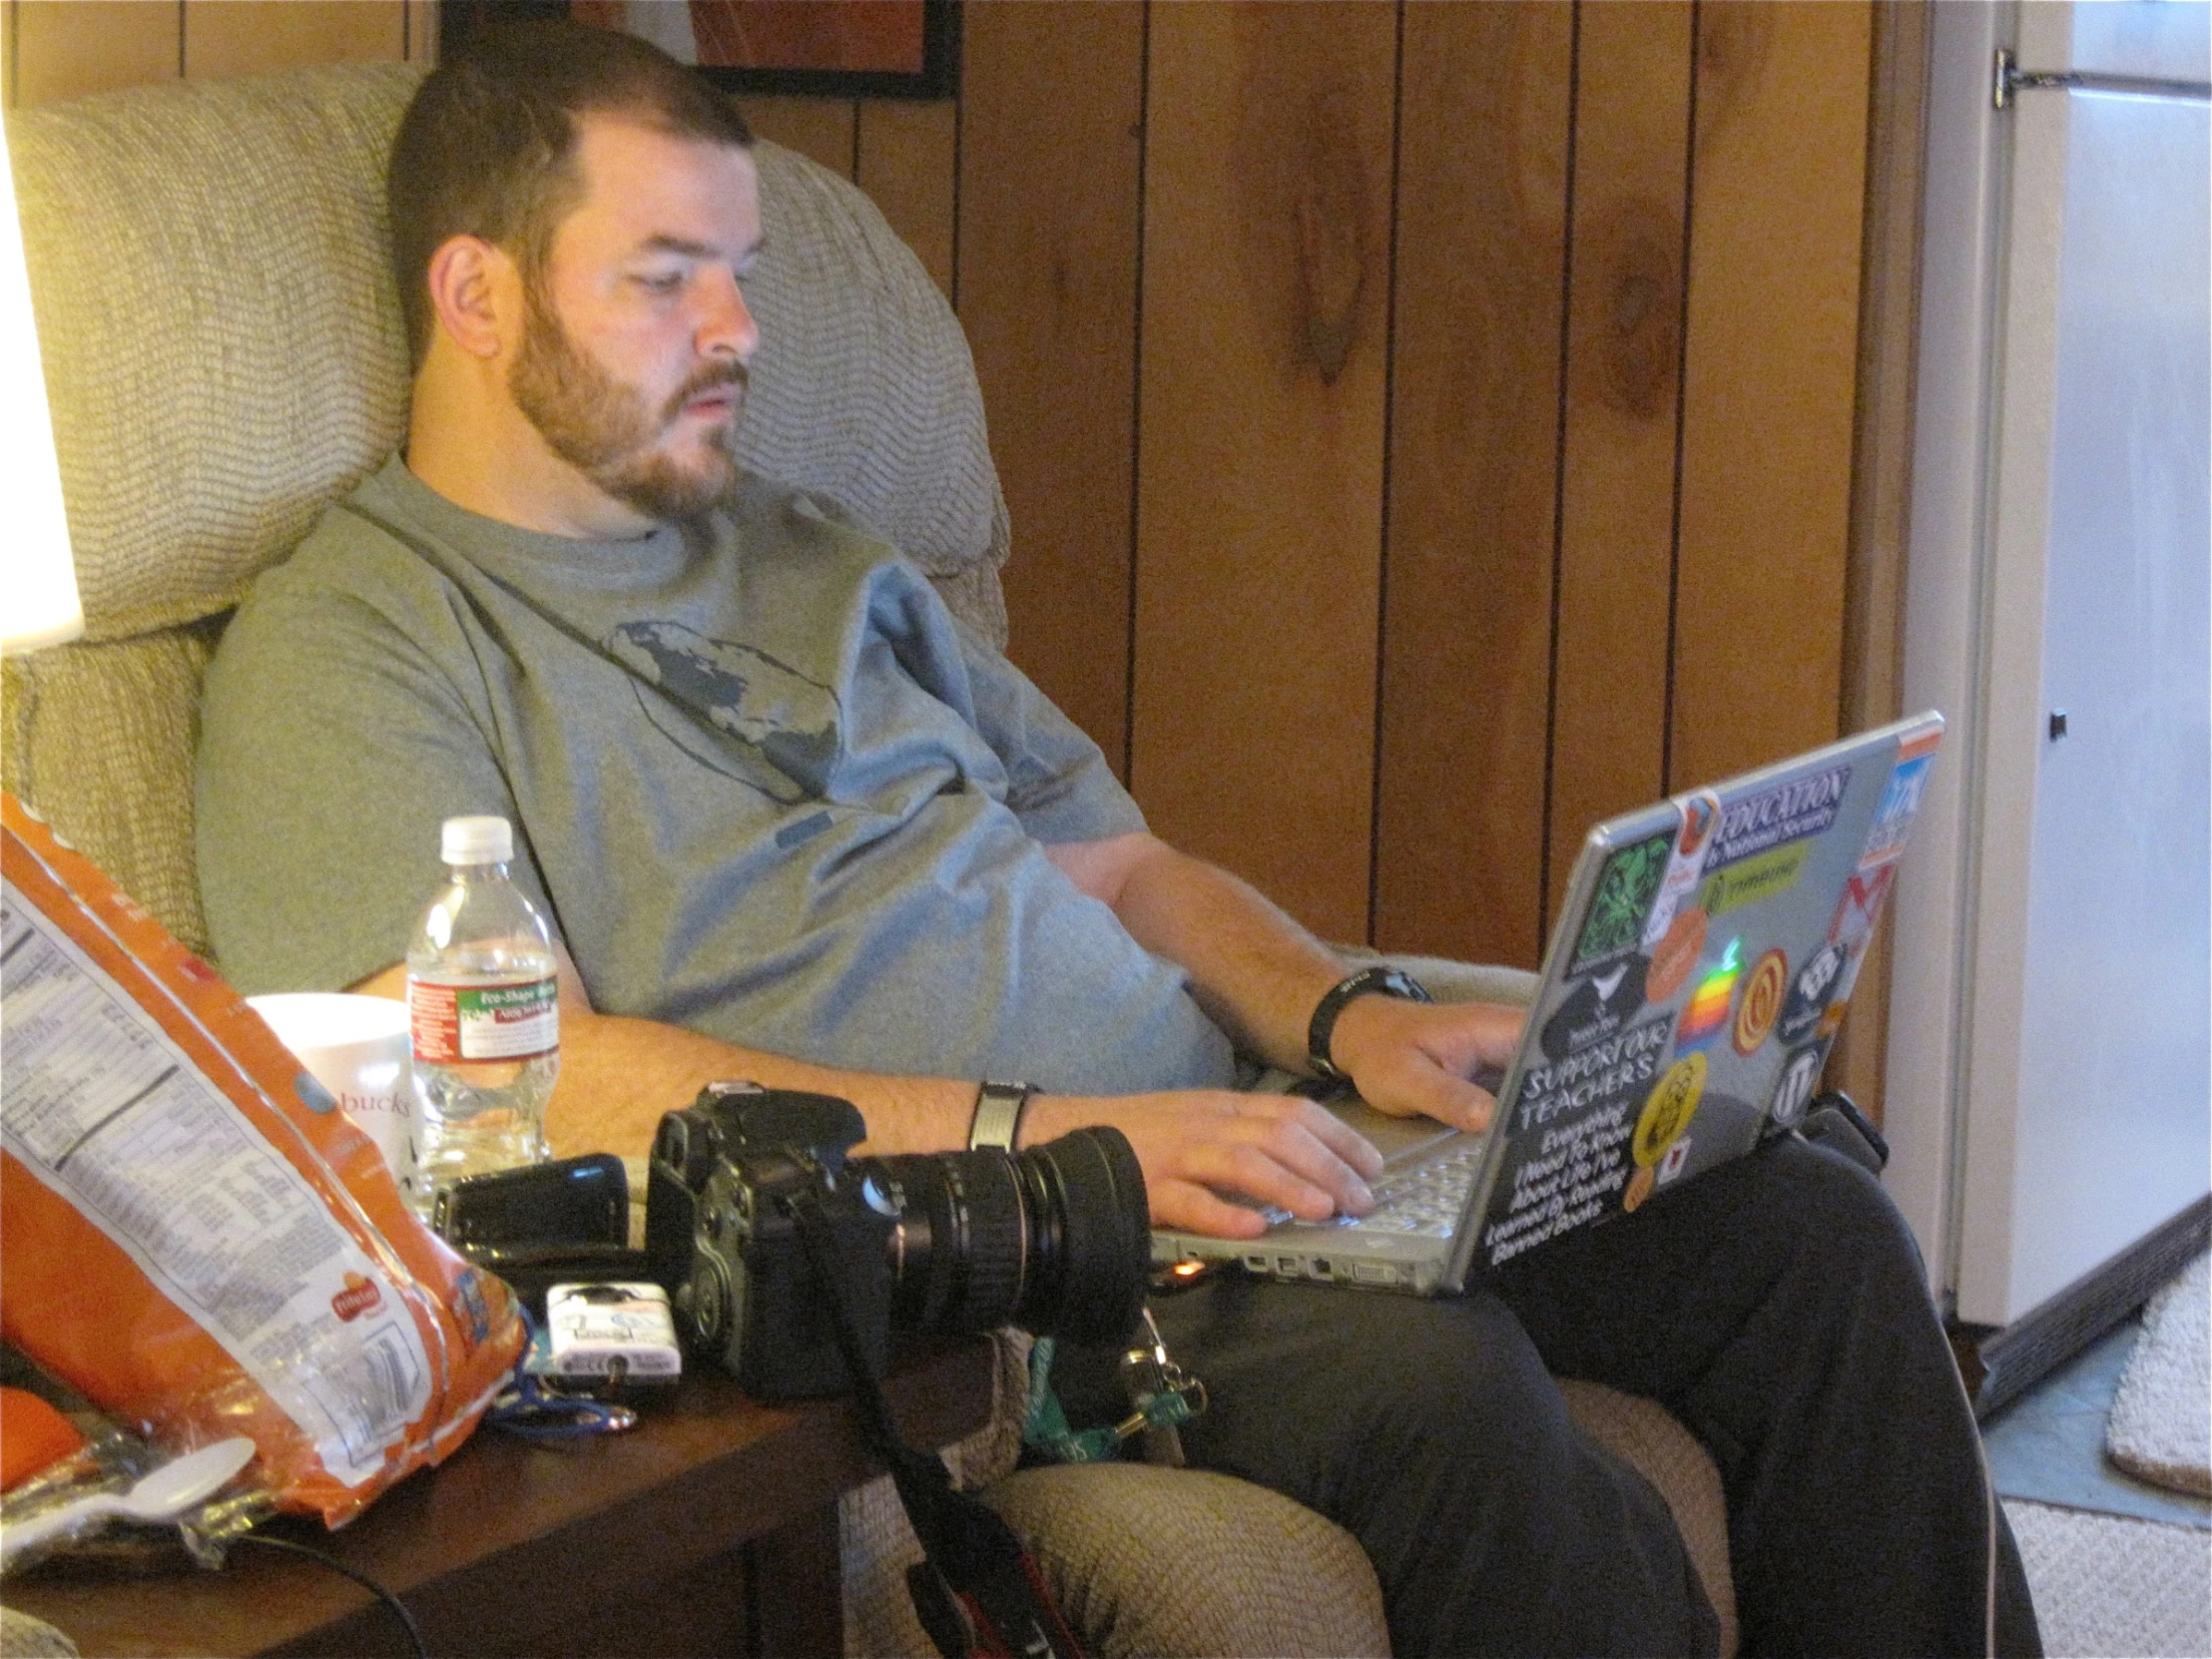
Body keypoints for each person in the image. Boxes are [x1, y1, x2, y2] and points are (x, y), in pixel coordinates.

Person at [196, 23, 2038, 1657]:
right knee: (1445, 1390)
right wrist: (1054, 1150)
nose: (742, 330)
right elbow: (508, 1085)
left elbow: (1120, 865)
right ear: (476, 291)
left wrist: (1338, 1013)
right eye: (667, 277)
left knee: (1808, 1230)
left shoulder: (817, 546)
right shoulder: (359, 638)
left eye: (743, 273)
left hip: (1245, 1143)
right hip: (990, 1248)